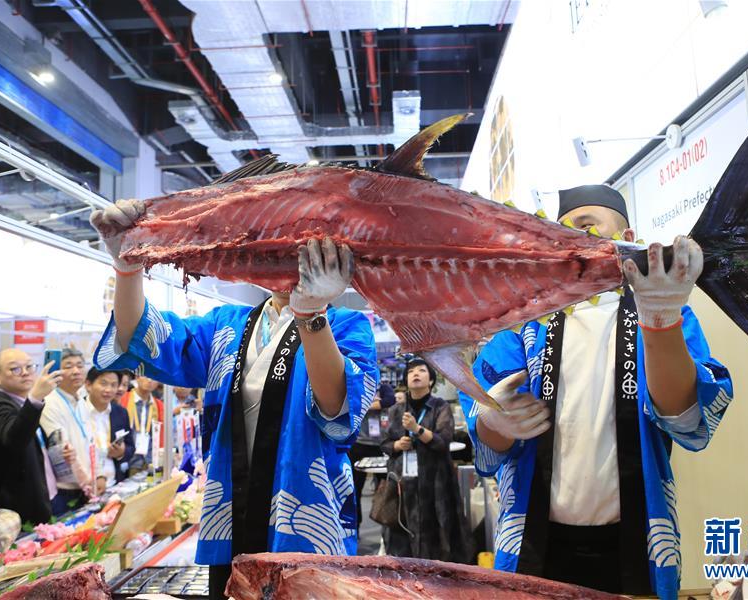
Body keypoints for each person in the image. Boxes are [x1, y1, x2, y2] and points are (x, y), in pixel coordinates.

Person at [90, 200, 378, 600]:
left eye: (299, 246)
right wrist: (127, 265)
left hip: (310, 522)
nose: (284, 256)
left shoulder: (348, 325)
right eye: (273, 244)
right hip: (230, 521)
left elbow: (338, 409)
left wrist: (311, 314)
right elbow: (143, 335)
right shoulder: (226, 325)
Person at [459, 185, 733, 598]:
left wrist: (660, 320)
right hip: (536, 541)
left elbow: (688, 420)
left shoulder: (664, 306)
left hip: (635, 540)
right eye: (562, 233)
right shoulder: (523, 320)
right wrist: (495, 421)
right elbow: (488, 441)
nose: (575, 242)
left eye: (587, 227)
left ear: (628, 238)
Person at [381, 357, 473, 563]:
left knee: (437, 534)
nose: (415, 374)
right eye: (411, 371)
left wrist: (417, 429)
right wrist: (398, 445)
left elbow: (443, 442)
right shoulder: (397, 410)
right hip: (403, 486)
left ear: (431, 381)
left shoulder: (440, 407)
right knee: (402, 537)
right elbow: (385, 443)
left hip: (435, 485)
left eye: (422, 370)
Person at [0, 348, 63, 525]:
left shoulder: (22, 403)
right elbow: (14, 439)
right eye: (15, 369)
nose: (25, 373)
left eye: (29, 366)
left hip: (43, 494)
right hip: (18, 508)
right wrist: (36, 397)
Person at [39, 348, 90, 513]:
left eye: (80, 366)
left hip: (85, 485)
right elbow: (60, 449)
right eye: (68, 366)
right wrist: (87, 483)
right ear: (57, 371)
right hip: (65, 488)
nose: (76, 371)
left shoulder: (81, 400)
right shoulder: (49, 401)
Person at [348, 382, 395, 526]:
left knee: (387, 489)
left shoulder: (384, 387)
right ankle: (355, 527)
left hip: (381, 445)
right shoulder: (356, 385)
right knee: (354, 488)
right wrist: (374, 403)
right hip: (358, 444)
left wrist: (368, 404)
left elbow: (390, 400)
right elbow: (354, 404)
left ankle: (388, 526)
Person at [81, 369, 134, 495]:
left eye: (113, 385)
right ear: (88, 385)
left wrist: (121, 452)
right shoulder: (77, 411)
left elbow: (131, 447)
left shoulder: (120, 413)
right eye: (103, 383)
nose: (108, 390)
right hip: (85, 488)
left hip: (114, 485)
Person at [120, 375, 163, 468]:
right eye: (146, 376)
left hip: (151, 459)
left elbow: (161, 435)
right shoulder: (123, 399)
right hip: (128, 460)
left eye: (154, 377)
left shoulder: (159, 405)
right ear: (137, 377)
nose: (150, 380)